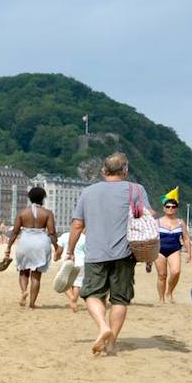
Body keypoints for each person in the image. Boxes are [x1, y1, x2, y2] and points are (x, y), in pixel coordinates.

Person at [65, 152, 152, 356]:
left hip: (95, 254)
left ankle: (103, 327)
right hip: (125, 254)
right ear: (125, 170)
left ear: (103, 170)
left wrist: (69, 250)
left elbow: (77, 225)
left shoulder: (88, 192)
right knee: (120, 300)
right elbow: (145, 217)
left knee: (92, 294)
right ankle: (112, 343)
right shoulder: (136, 189)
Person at [2, 186, 60, 309]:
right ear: (43, 198)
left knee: (23, 271)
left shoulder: (22, 213)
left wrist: (8, 247)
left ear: (29, 198)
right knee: (36, 275)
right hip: (41, 243)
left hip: (25, 242)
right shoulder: (47, 213)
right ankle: (32, 304)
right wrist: (56, 247)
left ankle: (24, 292)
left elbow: (15, 232)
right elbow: (52, 232)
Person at [155, 193, 190, 303]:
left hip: (174, 249)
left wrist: (189, 253)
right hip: (159, 250)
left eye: (173, 207)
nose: (170, 208)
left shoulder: (181, 222)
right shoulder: (157, 222)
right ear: (164, 208)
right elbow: (151, 239)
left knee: (176, 272)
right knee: (162, 275)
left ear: (176, 209)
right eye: (168, 206)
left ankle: (169, 292)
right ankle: (161, 299)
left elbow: (186, 239)